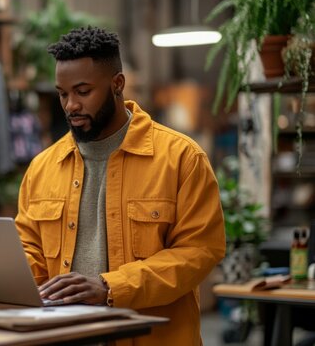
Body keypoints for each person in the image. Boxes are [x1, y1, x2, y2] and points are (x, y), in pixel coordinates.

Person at [14, 26, 226, 345]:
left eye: (83, 91)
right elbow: (27, 248)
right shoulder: (42, 168)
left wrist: (111, 288)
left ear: (118, 84)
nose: (71, 105)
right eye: (63, 93)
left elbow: (198, 252)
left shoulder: (181, 158)